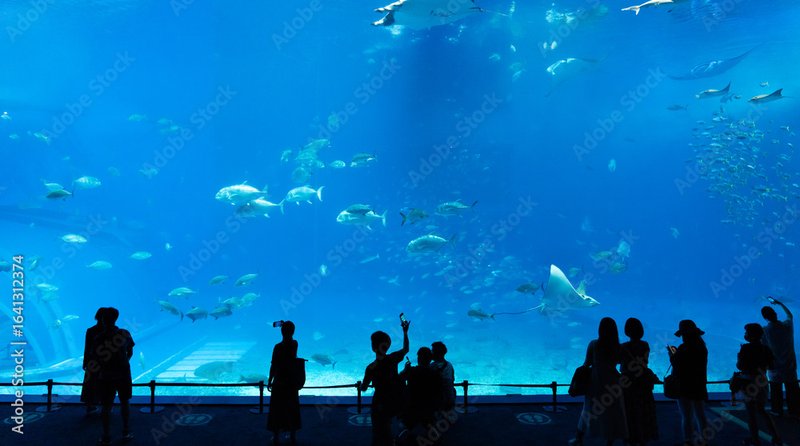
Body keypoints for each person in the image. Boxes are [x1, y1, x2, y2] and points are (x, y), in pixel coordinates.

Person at [570, 317, 627, 446]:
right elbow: (620, 364)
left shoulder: (594, 344)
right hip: (612, 380)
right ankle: (609, 442)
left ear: (600, 330)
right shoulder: (619, 347)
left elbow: (587, 363)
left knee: (588, 409)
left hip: (596, 380)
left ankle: (579, 438)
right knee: (613, 411)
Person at [360, 318, 410, 446]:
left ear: (372, 347)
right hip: (394, 399)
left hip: (380, 401)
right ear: (388, 345)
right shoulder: (393, 358)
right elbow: (406, 349)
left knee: (378, 430)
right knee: (387, 425)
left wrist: (362, 385)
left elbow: (364, 388)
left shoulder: (371, 367)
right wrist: (405, 332)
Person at [91, 307, 135, 446]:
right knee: (125, 402)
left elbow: (96, 357)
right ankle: (126, 431)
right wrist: (125, 361)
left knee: (106, 406)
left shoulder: (98, 338)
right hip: (123, 373)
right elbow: (130, 351)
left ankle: (106, 436)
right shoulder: (124, 333)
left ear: (103, 320)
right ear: (116, 318)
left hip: (106, 375)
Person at [737, 323, 782, 445]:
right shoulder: (766, 348)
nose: (745, 335)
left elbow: (740, 366)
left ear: (750, 335)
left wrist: (739, 356)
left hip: (748, 382)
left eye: (746, 333)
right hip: (762, 381)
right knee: (762, 410)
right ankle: (776, 436)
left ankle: (755, 439)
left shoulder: (745, 348)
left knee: (751, 412)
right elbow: (772, 366)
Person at [668, 319, 709, 446]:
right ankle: (704, 440)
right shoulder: (702, 347)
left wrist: (671, 354)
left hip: (684, 386)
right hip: (698, 385)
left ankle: (688, 441)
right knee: (700, 414)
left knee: (686, 416)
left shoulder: (683, 348)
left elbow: (677, 365)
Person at [619, 318, 658, 446]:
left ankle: (630, 438)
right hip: (643, 383)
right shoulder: (645, 345)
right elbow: (644, 362)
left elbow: (620, 362)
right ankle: (643, 439)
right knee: (644, 411)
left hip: (628, 384)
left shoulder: (623, 347)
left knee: (630, 411)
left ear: (627, 331)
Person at [761, 297, 799, 417]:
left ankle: (777, 410)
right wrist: (780, 304)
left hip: (774, 366)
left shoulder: (765, 330)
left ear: (765, 318)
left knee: (776, 390)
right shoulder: (787, 326)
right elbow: (790, 316)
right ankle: (794, 410)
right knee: (792, 389)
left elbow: (763, 346)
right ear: (776, 314)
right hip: (790, 364)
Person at [267, 320, 301, 445]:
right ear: (293, 331)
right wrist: (286, 324)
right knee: (291, 407)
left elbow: (274, 365)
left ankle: (276, 436)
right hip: (291, 381)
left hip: (280, 381)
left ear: (281, 331)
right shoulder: (295, 344)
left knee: (277, 409)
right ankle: (292, 435)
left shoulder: (278, 347)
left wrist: (270, 380)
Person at [399, 347, 442, 434]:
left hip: (412, 407)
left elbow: (399, 380)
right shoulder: (435, 374)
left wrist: (405, 370)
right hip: (429, 408)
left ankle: (407, 428)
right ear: (430, 359)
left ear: (419, 358)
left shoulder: (411, 371)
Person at [81, 307, 106, 416]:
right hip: (105, 361)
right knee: (104, 383)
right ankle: (105, 406)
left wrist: (85, 362)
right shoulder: (108, 330)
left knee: (90, 383)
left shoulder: (90, 330)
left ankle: (89, 405)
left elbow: (87, 348)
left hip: (93, 361)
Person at [431, 341, 455, 411]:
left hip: (438, 401)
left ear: (436, 353)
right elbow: (453, 380)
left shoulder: (432, 366)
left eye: (432, 351)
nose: (431, 353)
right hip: (449, 399)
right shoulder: (449, 365)